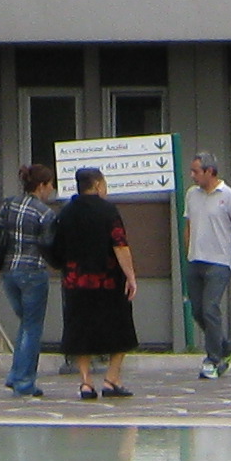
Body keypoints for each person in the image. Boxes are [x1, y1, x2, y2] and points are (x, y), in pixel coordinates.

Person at [45, 164, 139, 399]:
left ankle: (86, 382)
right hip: (108, 281)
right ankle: (111, 379)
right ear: (97, 185)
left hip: (75, 282)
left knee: (79, 331)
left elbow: (56, 247)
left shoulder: (66, 212)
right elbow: (119, 244)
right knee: (120, 330)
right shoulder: (108, 211)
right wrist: (130, 276)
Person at [0, 161, 59, 398]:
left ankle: (16, 375)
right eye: (50, 185)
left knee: (25, 323)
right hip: (33, 271)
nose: (52, 190)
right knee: (32, 326)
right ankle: (24, 381)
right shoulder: (45, 213)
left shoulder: (8, 204)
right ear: (42, 185)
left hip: (9, 271)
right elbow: (48, 244)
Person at [182, 154, 231, 381]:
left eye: (196, 171)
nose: (192, 175)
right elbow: (188, 225)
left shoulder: (228, 196)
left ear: (209, 171)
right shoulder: (192, 194)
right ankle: (226, 346)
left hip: (219, 262)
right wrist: (188, 252)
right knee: (197, 310)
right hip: (195, 260)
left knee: (210, 308)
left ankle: (213, 359)